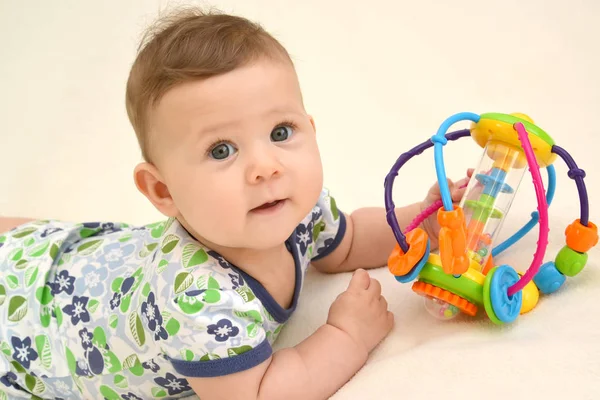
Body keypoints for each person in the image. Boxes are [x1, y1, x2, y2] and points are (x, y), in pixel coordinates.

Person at [0, 7, 470, 400]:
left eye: (281, 133)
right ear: (163, 191)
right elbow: (257, 394)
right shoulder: (197, 297)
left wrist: (422, 220)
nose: (265, 166)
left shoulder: (295, 208)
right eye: (221, 150)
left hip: (86, 267)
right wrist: (347, 337)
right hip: (31, 330)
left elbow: (347, 241)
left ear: (310, 127)